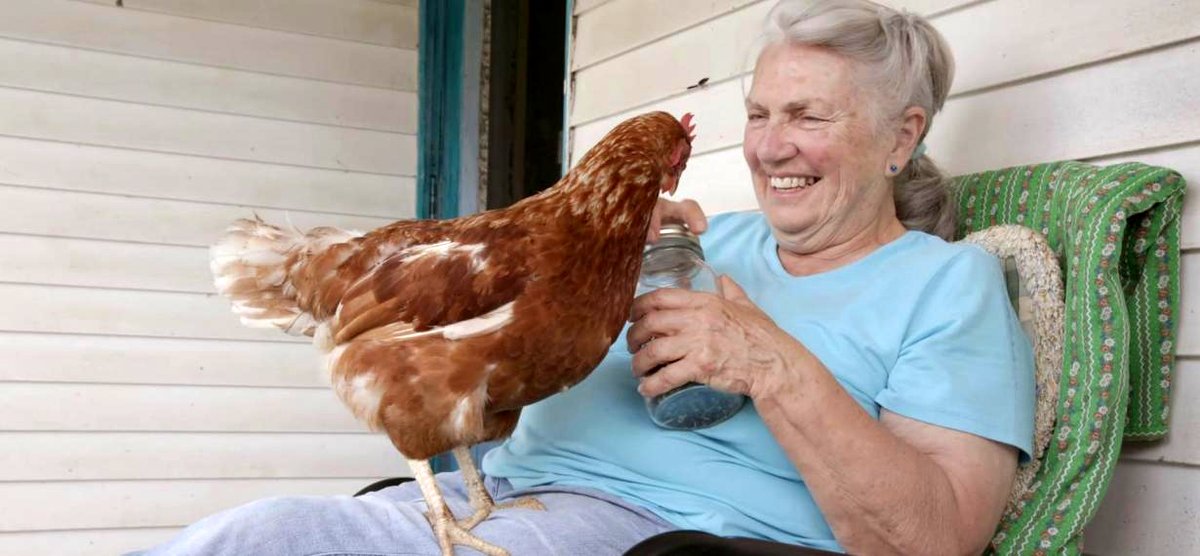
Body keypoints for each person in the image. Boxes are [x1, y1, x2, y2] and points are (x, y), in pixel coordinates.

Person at [132, 0, 1033, 554]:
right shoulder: (708, 239)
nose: (768, 145)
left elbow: (940, 535)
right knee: (246, 539)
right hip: (493, 487)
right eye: (758, 113)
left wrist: (770, 364)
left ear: (901, 138)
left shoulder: (947, 286)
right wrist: (598, 247)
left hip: (644, 534)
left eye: (806, 116)